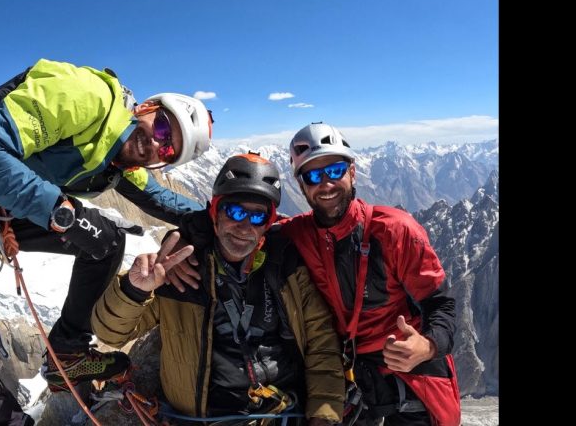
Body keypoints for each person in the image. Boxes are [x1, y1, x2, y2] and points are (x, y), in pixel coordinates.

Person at [0, 58, 213, 426]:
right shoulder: (86, 96)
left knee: (107, 240)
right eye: (163, 128)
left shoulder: (116, 161)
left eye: (169, 151)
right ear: (147, 107)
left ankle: (66, 354)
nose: (156, 144)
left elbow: (163, 202)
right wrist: (63, 213)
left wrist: (232, 217)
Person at [170, 123, 461, 426]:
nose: (325, 184)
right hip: (355, 381)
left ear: (352, 172)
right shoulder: (297, 234)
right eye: (312, 176)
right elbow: (243, 225)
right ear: (302, 186)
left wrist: (427, 345)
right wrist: (187, 233)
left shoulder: (395, 231)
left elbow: (442, 305)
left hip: (410, 377)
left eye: (334, 171)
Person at [91, 153, 345, 425]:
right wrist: (134, 291)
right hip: (207, 417)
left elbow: (322, 345)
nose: (245, 226)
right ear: (215, 212)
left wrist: (323, 415)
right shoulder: (180, 268)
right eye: (235, 211)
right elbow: (109, 332)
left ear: (269, 223)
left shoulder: (287, 268)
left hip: (281, 411)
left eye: (258, 217)